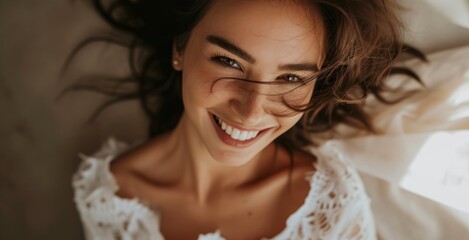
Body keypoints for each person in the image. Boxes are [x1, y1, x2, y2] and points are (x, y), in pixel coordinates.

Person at [70, 0, 422, 239]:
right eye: (229, 62)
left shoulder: (330, 204)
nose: (252, 110)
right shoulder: (108, 194)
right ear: (180, 48)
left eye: (291, 78)